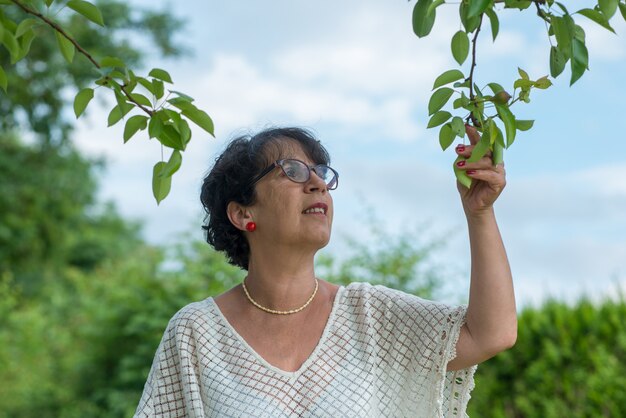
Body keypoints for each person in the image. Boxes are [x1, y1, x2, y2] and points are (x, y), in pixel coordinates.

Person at [134, 126, 516, 417]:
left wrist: (479, 213)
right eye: (293, 171)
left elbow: (491, 333)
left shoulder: (369, 315)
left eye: (320, 173)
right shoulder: (196, 335)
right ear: (242, 213)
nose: (317, 183)